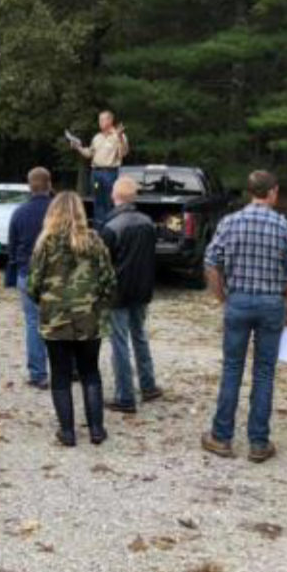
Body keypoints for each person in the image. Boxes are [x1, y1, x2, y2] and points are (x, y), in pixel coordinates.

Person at [202, 170, 287, 464]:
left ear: (250, 192)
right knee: (264, 372)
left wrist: (222, 296)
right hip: (272, 304)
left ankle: (222, 437)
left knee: (232, 368)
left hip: (239, 299)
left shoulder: (230, 222)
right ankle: (258, 441)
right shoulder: (284, 226)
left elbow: (211, 263)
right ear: (272, 192)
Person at [27, 192, 116, 447]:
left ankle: (67, 432)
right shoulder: (95, 241)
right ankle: (97, 430)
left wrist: (46, 302)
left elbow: (33, 284)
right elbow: (109, 280)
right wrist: (99, 304)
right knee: (90, 373)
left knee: (60, 375)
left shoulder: (45, 243)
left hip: (55, 319)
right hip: (89, 318)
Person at [100, 176, 162, 413]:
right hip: (142, 288)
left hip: (118, 291)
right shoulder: (147, 223)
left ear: (114, 196)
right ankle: (148, 385)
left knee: (119, 341)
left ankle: (125, 395)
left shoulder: (111, 227)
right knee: (140, 336)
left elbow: (102, 263)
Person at [5, 167, 53, 390]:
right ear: (49, 184)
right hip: (56, 274)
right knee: (60, 322)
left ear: (29, 185)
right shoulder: (57, 211)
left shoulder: (20, 212)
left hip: (28, 272)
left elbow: (12, 246)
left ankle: (38, 373)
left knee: (33, 323)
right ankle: (66, 369)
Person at [69, 110, 129, 229]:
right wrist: (78, 147)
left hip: (110, 174)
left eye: (103, 119)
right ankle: (98, 229)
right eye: (99, 120)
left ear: (110, 120)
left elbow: (123, 153)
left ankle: (110, 229)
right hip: (96, 174)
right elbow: (89, 154)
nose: (100, 122)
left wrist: (121, 138)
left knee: (109, 202)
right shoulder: (97, 137)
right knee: (97, 201)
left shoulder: (119, 136)